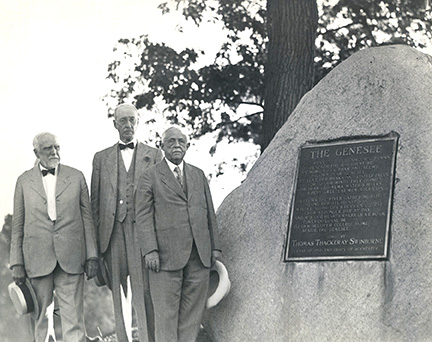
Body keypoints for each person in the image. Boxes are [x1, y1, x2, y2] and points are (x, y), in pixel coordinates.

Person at [9, 132, 98, 342]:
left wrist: (92, 255)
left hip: (72, 257)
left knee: (74, 318)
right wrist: (16, 263)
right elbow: (18, 225)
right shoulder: (23, 181)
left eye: (56, 146)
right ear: (36, 152)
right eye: (48, 148)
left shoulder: (76, 177)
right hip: (36, 259)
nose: (54, 152)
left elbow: (87, 219)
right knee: (41, 319)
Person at [136, 126, 221, 342]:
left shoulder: (198, 175)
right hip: (164, 257)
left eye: (181, 142)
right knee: (165, 316)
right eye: (171, 142)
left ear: (188, 146)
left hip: (199, 255)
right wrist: (150, 250)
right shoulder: (149, 177)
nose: (176, 146)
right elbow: (143, 216)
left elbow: (209, 212)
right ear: (161, 146)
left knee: (192, 315)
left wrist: (214, 247)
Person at [91, 103, 162, 342]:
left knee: (144, 291)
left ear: (138, 122)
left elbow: (161, 201)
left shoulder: (154, 155)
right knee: (118, 291)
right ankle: (123, 339)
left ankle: (147, 338)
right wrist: (95, 247)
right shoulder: (101, 159)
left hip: (143, 232)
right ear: (115, 124)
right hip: (112, 234)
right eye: (123, 121)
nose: (128, 125)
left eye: (132, 120)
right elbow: (95, 205)